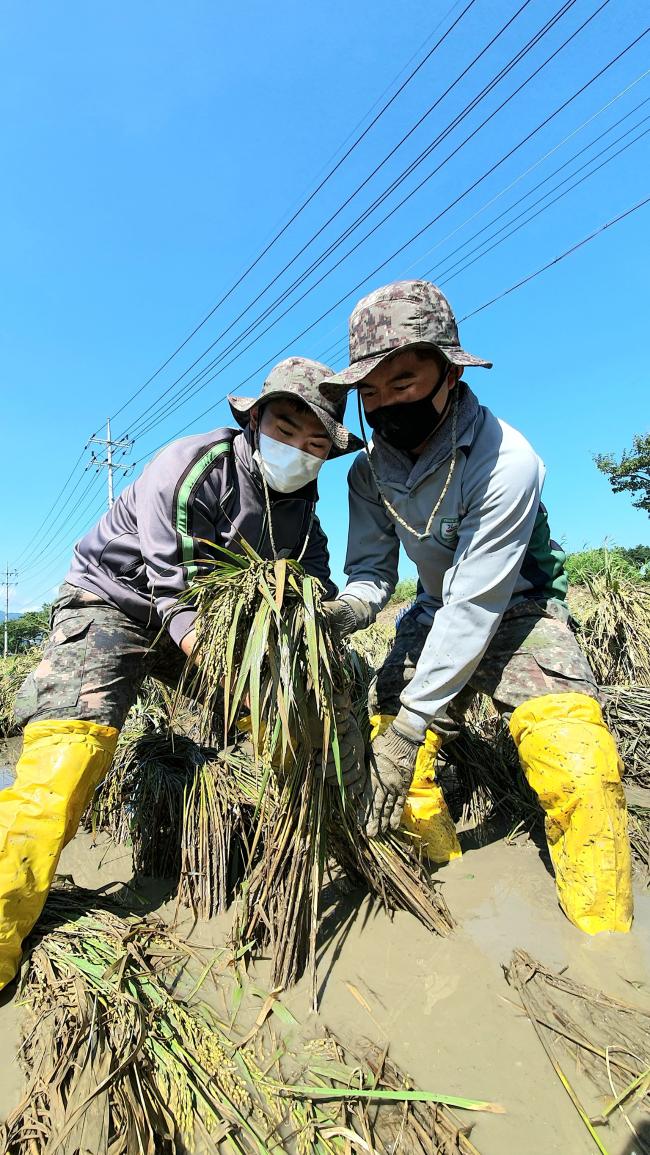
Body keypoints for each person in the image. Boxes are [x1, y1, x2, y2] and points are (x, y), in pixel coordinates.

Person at [0, 356, 365, 991]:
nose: (299, 451)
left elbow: (319, 590)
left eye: (315, 444)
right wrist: (239, 669)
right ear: (252, 419)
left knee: (286, 710)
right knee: (65, 757)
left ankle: (300, 837)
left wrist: (322, 639)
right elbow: (176, 598)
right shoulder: (191, 465)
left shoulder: (303, 511)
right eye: (286, 429)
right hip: (116, 603)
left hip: (205, 629)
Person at [322, 280, 633, 936]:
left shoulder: (506, 460)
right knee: (397, 763)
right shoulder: (365, 474)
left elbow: (479, 602)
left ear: (448, 372)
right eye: (369, 392)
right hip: (435, 608)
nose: (384, 404)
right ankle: (447, 878)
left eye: (402, 381)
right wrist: (344, 613)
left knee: (580, 765)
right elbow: (374, 575)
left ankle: (607, 944)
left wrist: (413, 729)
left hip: (520, 608)